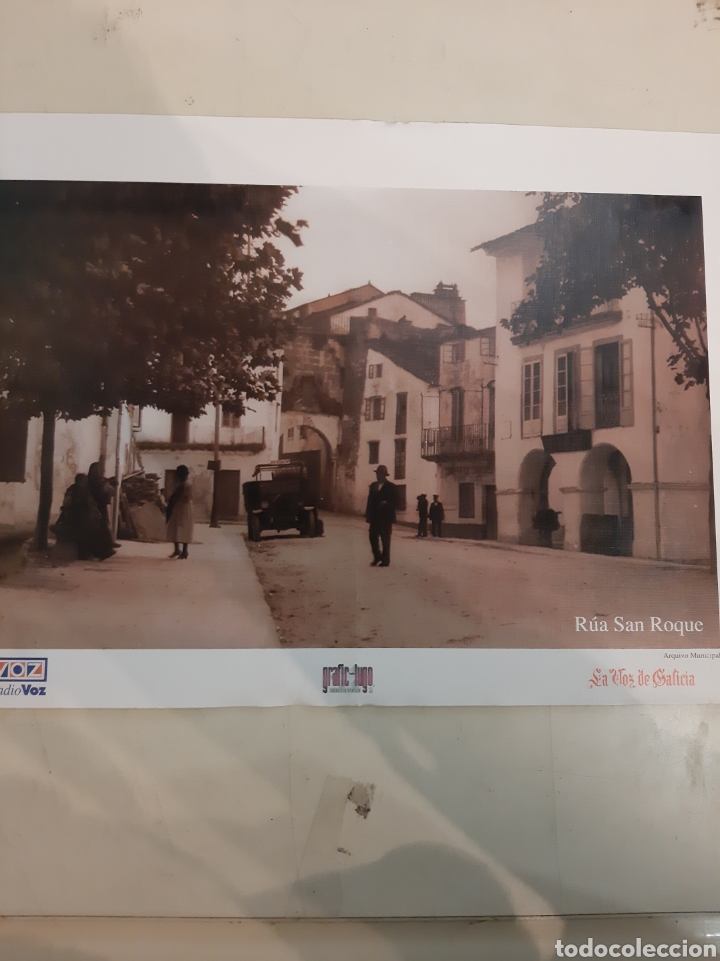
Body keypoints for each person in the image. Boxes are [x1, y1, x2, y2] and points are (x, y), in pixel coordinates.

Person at [54, 473, 116, 560]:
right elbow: (67, 503)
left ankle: (97, 552)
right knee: (90, 530)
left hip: (84, 518)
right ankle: (91, 553)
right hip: (75, 518)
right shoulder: (74, 490)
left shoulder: (84, 491)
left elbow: (91, 504)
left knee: (95, 530)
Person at [365, 464, 398, 567]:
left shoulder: (391, 487)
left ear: (384, 475)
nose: (378, 476)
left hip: (386, 518)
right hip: (375, 518)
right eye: (377, 474)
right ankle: (377, 556)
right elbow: (369, 501)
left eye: (380, 474)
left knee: (385, 539)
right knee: (372, 537)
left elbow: (398, 501)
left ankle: (385, 560)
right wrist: (368, 515)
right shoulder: (373, 486)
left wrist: (387, 503)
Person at [88, 462, 120, 548]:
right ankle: (106, 544)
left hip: (101, 504)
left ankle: (107, 543)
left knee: (104, 524)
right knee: (101, 524)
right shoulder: (93, 480)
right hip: (96, 504)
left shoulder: (98, 479)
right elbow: (99, 490)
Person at [166, 465, 194, 559]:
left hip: (184, 508)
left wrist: (174, 500)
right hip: (179, 507)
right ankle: (177, 549)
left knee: (184, 529)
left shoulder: (186, 484)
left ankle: (185, 551)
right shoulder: (181, 483)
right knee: (175, 528)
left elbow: (186, 496)